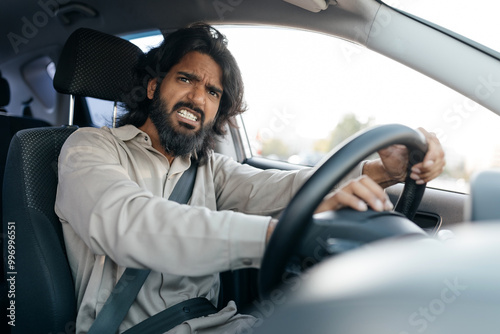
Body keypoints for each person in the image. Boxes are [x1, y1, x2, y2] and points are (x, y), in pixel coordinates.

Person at [55, 23, 445, 334]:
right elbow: (131, 226)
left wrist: (382, 172)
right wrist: (278, 236)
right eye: (187, 79)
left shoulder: (209, 170)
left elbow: (287, 190)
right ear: (155, 86)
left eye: (213, 92)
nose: (198, 98)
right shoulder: (89, 148)